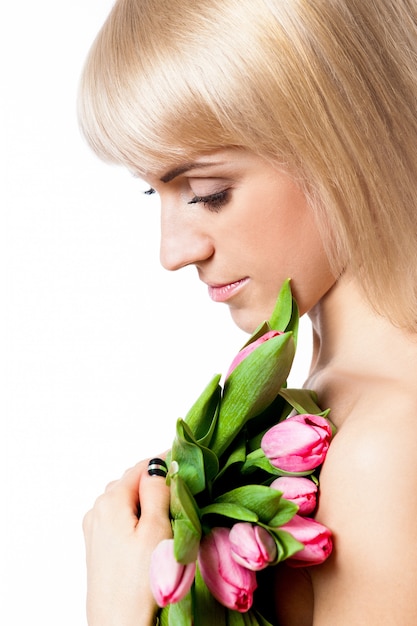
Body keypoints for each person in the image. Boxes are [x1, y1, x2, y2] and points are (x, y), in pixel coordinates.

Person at [78, 1, 417, 624]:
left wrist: (117, 611)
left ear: (345, 141)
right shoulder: (338, 397)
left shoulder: (386, 443)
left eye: (209, 193)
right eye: (158, 191)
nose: (173, 252)